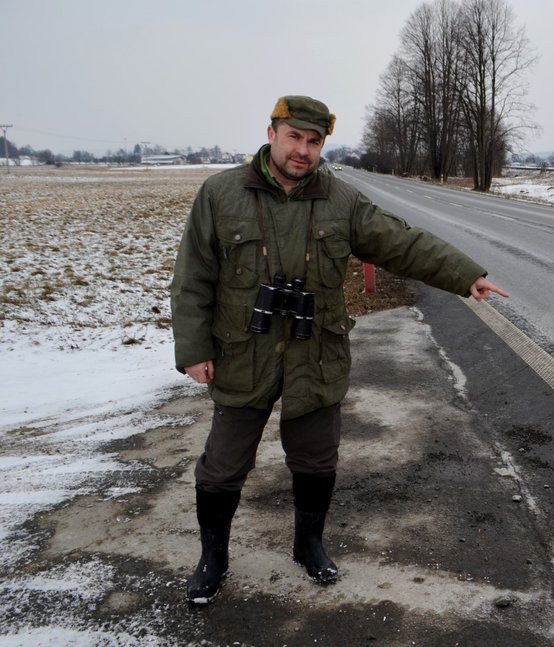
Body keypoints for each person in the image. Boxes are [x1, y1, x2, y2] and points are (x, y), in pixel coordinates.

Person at [170, 95, 508, 606]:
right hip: (244, 352)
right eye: (294, 137)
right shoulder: (221, 194)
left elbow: (402, 243)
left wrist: (466, 275)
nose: (302, 150)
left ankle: (309, 544)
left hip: (315, 352)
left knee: (316, 460)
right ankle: (212, 557)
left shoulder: (341, 200)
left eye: (313, 141)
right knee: (221, 465)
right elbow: (192, 278)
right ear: (271, 133)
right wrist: (193, 349)